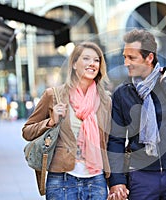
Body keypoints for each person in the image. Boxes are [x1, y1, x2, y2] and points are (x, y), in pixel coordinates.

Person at [107, 29, 166, 200]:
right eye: (125, 57)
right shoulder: (122, 93)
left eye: (132, 58)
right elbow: (115, 140)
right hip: (141, 177)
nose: (126, 63)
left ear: (149, 58)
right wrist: (117, 181)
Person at [22, 42, 112, 200]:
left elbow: (109, 141)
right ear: (74, 64)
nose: (92, 63)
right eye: (86, 58)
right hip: (61, 179)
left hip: (96, 180)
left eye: (97, 60)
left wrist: (116, 182)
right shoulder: (54, 95)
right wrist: (50, 121)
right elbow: (27, 131)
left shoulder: (105, 100)